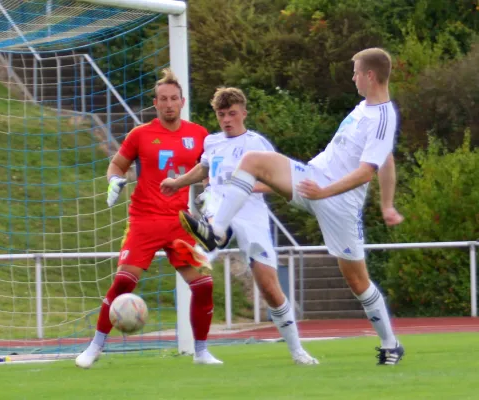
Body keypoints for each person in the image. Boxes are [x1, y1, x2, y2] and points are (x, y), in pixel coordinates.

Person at [179, 48, 406, 366]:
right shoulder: (363, 109)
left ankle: (390, 343)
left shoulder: (383, 116)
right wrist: (387, 203)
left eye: (355, 72)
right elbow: (387, 156)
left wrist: (359, 199)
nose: (352, 77)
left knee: (357, 281)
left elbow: (371, 168)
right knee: (252, 161)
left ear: (370, 75)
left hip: (337, 202)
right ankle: (216, 231)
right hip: (312, 180)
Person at [76, 68, 222, 368]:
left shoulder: (199, 135)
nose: (168, 104)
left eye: (173, 99)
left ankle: (202, 351)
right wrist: (115, 181)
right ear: (155, 104)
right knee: (123, 284)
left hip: (180, 224)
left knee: (203, 284)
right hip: (143, 221)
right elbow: (117, 165)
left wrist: (209, 192)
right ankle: (94, 347)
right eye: (162, 99)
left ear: (182, 102)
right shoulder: (140, 134)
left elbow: (208, 170)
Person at [161, 87, 318, 365]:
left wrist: (245, 188)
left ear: (244, 113)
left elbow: (275, 181)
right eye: (221, 115)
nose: (227, 120)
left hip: (251, 214)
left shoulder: (258, 144)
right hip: (217, 208)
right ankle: (200, 350)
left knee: (269, 287)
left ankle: (297, 351)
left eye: (232, 113)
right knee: (199, 270)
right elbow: (203, 170)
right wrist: (177, 182)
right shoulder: (212, 142)